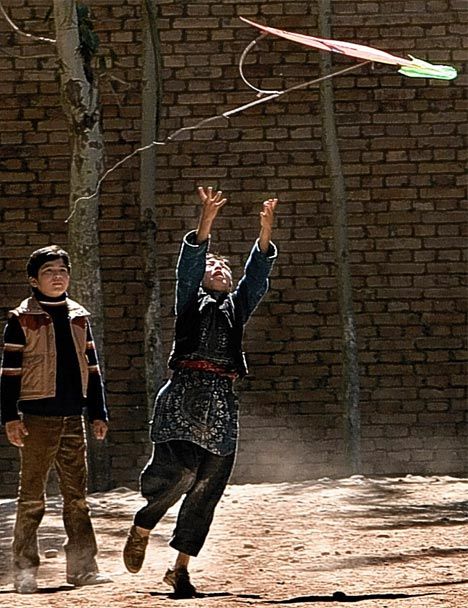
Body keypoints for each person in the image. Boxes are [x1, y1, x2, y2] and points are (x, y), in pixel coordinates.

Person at [123, 186, 278, 597]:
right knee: (181, 472)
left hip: (222, 402)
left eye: (224, 268)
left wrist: (264, 235)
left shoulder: (236, 307)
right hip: (183, 395)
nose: (219, 270)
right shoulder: (190, 302)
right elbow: (188, 268)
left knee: (208, 486)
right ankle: (144, 523)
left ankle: (180, 568)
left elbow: (256, 278)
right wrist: (205, 223)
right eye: (213, 267)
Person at [0, 245, 112, 594]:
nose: (57, 276)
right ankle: (24, 570)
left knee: (76, 496)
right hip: (37, 418)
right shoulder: (22, 319)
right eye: (49, 271)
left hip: (72, 418)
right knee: (32, 496)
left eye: (62, 270)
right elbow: (8, 374)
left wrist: (97, 412)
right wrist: (10, 417)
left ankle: (82, 568)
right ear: (34, 280)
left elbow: (93, 370)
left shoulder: (79, 316)